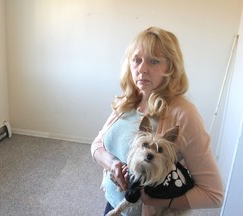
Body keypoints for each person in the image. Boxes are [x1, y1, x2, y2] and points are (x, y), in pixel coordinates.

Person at [91, 26, 224, 216]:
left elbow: (213, 194)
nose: (142, 69)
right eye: (136, 60)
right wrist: (113, 165)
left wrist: (150, 199)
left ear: (171, 67)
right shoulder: (128, 100)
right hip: (114, 203)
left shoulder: (183, 113)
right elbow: (97, 144)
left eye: (153, 61)